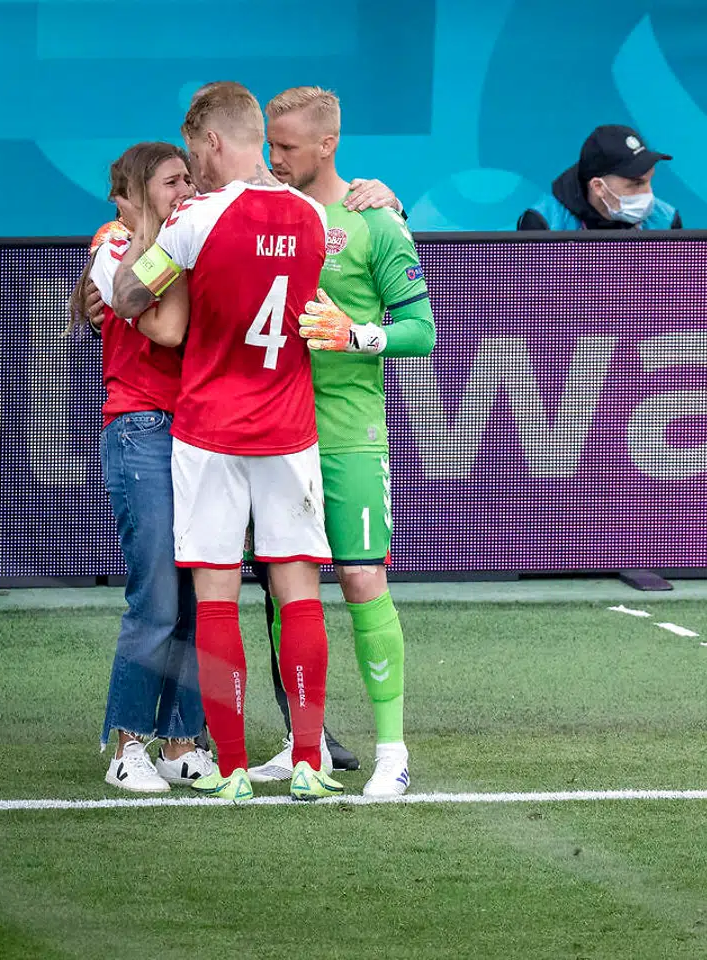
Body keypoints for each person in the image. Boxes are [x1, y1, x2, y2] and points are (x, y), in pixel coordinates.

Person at [110, 81, 340, 803]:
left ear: (212, 142)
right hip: (288, 429)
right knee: (298, 591)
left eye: (196, 153)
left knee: (214, 597)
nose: (194, 168)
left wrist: (122, 272)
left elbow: (131, 296)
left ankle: (233, 769)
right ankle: (308, 760)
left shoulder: (197, 219)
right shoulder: (310, 215)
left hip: (210, 430)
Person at [237, 86, 435, 798]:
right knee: (292, 592)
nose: (274, 159)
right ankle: (304, 746)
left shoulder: (376, 221)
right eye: (269, 145)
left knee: (358, 579)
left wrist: (356, 334)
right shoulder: (261, 209)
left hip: (349, 436)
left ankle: (392, 752)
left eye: (286, 147)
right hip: (275, 431)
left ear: (327, 146)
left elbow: (424, 330)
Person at [67, 142, 216, 793]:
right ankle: (128, 744)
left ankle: (184, 743)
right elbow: (165, 332)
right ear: (132, 193)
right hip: (142, 431)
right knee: (155, 597)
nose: (184, 188)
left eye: (189, 178)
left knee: (193, 601)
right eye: (170, 181)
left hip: (203, 437)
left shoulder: (196, 242)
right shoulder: (114, 244)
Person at [517, 124, 682, 231]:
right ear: (598, 187)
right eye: (636, 184)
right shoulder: (543, 223)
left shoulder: (666, 221)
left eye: (649, 181)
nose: (648, 194)